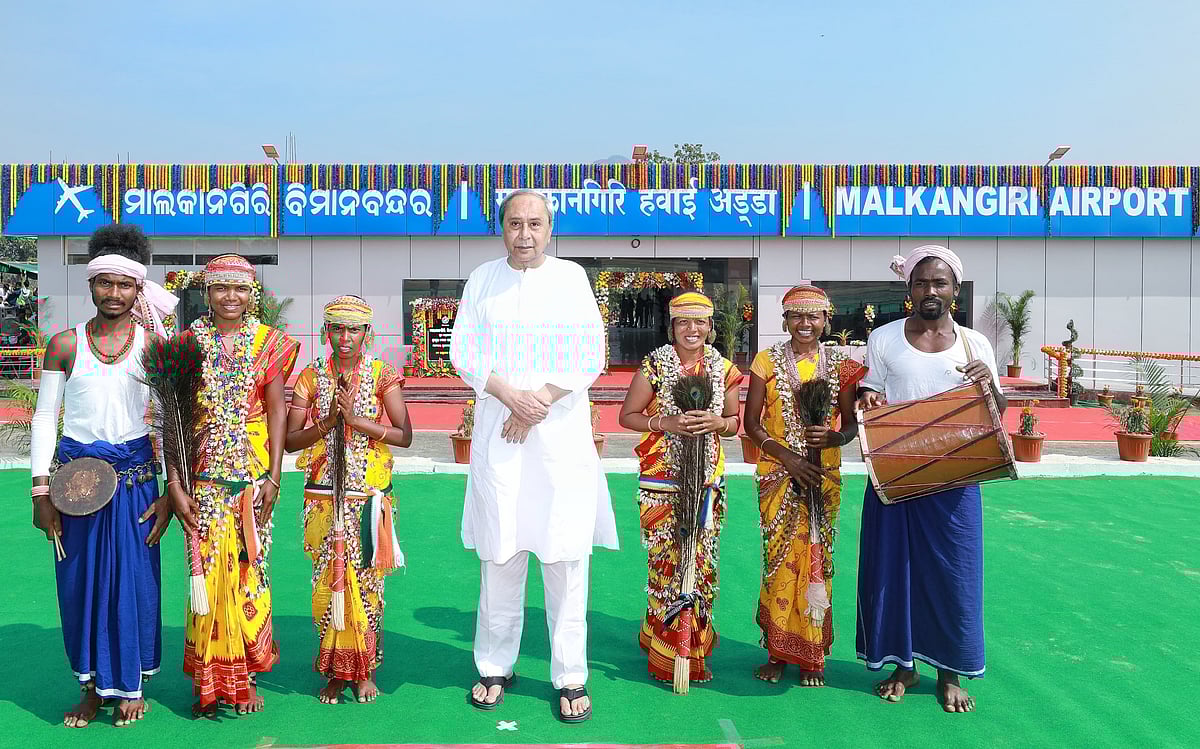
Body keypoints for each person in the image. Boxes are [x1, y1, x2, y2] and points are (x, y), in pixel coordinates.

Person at [449, 189, 617, 723]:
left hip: (559, 434)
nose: (524, 234)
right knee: (501, 551)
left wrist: (538, 400)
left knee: (566, 557)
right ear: (501, 228)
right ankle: (495, 665)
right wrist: (510, 398)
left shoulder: (571, 280)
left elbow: (590, 352)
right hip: (500, 433)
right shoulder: (482, 280)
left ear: (550, 230)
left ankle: (570, 676)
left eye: (535, 224)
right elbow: (464, 352)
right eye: (515, 223)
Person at [30, 224, 178, 727]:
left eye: (125, 284)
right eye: (105, 283)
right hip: (76, 485)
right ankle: (91, 688)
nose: (114, 293)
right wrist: (40, 492)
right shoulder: (64, 344)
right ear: (90, 285)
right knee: (79, 584)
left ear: (140, 289)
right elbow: (44, 416)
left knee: (135, 584)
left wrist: (169, 493)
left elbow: (172, 421)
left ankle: (130, 685)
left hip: (137, 482)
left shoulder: (157, 345)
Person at [855, 244, 1005, 713]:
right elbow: (868, 397)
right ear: (909, 289)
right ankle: (905, 666)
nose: (930, 290)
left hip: (956, 479)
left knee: (953, 573)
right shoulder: (883, 339)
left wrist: (989, 386)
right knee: (892, 572)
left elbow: (997, 414)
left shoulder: (974, 344)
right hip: (895, 473)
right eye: (921, 283)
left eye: (940, 283)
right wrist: (867, 404)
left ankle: (950, 672)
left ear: (955, 290)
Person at [168, 254, 299, 717]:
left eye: (240, 289)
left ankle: (244, 675)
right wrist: (176, 483)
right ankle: (209, 680)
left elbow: (278, 408)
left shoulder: (271, 344)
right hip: (203, 477)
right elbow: (176, 416)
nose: (231, 297)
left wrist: (274, 475)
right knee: (205, 574)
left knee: (248, 571)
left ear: (252, 294)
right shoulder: (186, 344)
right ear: (207, 293)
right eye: (221, 288)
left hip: (252, 478)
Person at [285, 295, 413, 705]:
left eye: (354, 329)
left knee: (366, 584)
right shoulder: (310, 376)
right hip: (323, 498)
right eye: (337, 328)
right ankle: (335, 673)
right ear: (325, 332)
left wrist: (357, 422)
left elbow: (404, 435)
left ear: (367, 334)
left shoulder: (382, 374)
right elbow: (289, 441)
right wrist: (328, 423)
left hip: (369, 497)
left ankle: (365, 671)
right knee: (328, 582)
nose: (345, 338)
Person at [617, 291, 742, 685]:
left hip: (706, 480)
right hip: (660, 482)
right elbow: (628, 416)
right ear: (672, 327)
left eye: (700, 322)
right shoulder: (655, 366)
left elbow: (735, 421)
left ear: (711, 327)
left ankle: (693, 649)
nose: (692, 330)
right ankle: (663, 643)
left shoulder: (724, 369)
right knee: (665, 565)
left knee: (700, 565)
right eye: (684, 322)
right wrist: (663, 424)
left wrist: (717, 424)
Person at [744, 284, 863, 687]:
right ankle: (777, 651)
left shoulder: (842, 366)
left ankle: (812, 656)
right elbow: (752, 424)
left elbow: (848, 424)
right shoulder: (766, 361)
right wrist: (788, 457)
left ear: (827, 320)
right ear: (786, 320)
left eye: (814, 316)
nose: (805, 324)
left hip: (823, 476)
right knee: (779, 562)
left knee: (816, 556)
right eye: (797, 316)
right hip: (778, 475)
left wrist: (837, 439)